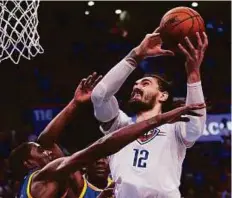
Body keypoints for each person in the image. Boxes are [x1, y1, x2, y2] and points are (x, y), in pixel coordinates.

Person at [8, 76, 204, 198]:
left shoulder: (111, 185)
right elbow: (101, 146)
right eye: (40, 151)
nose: (48, 153)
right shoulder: (49, 177)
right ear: (28, 163)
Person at [91, 27, 208, 197]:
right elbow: (99, 95)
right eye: (135, 84)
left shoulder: (175, 128)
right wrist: (136, 54)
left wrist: (193, 74)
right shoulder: (120, 126)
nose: (137, 86)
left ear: (163, 95)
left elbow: (196, 123)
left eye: (145, 83)